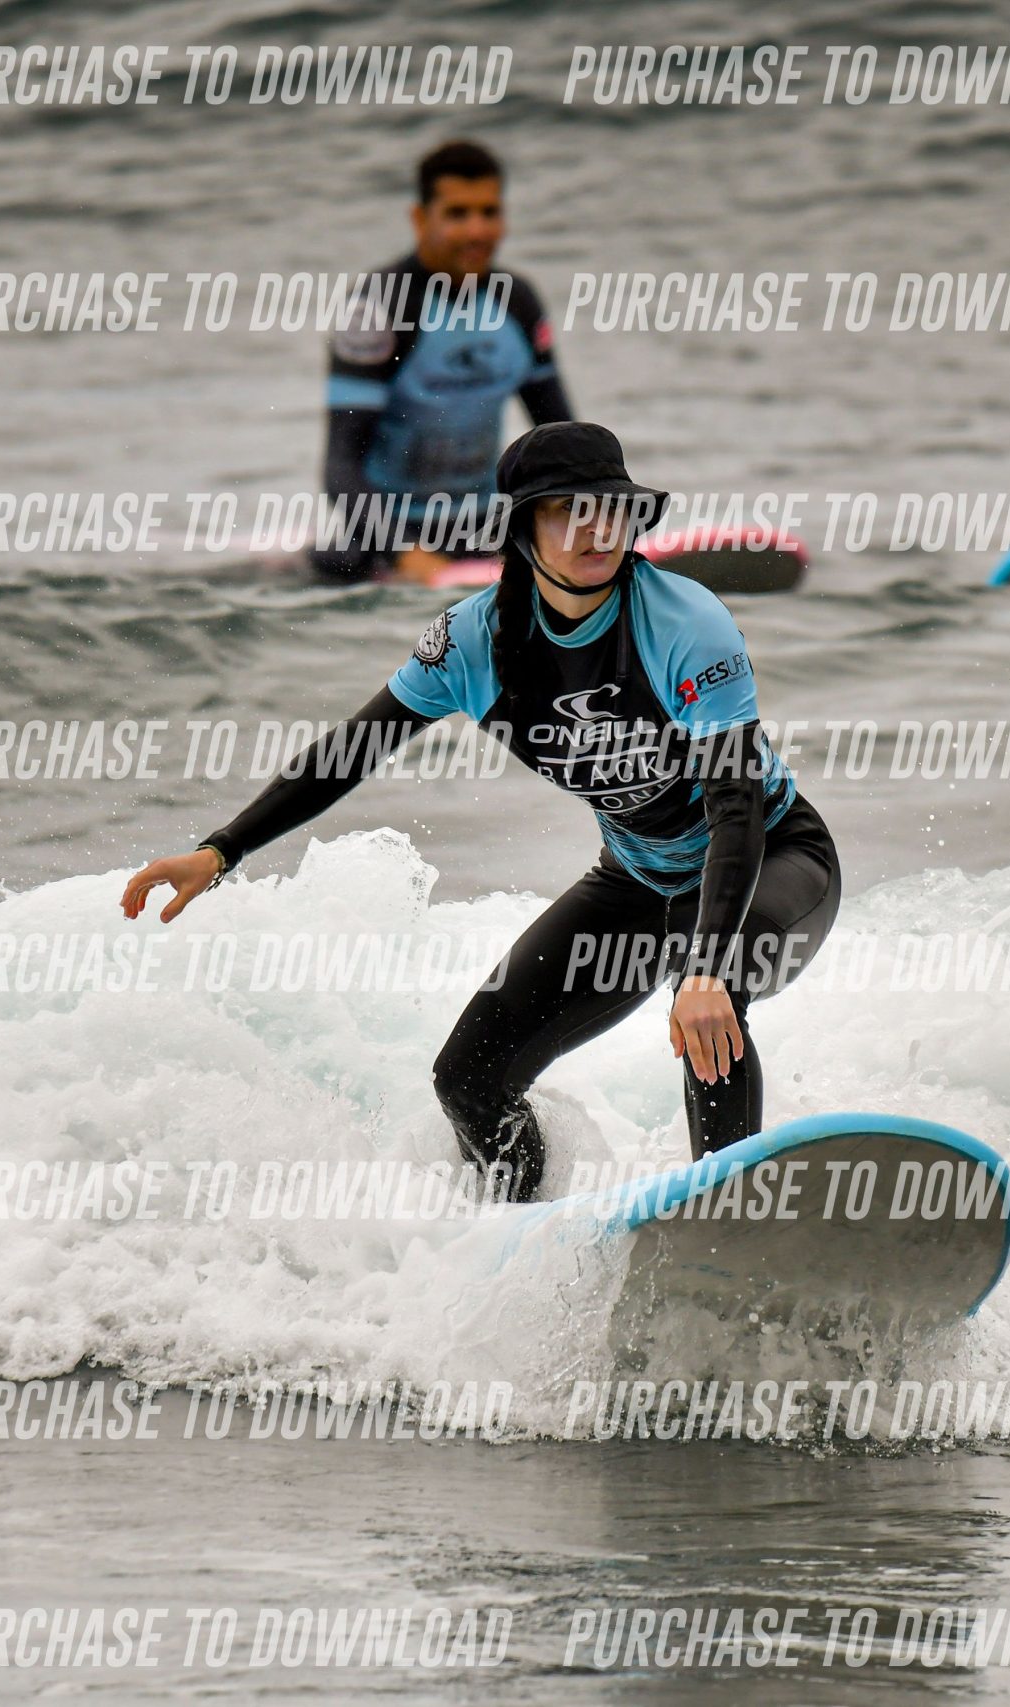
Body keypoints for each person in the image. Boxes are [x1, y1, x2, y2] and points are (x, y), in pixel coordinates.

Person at [132, 423, 839, 1201]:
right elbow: (352, 750)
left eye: (611, 508)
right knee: (467, 1077)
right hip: (638, 881)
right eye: (568, 510)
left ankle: (728, 1216)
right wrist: (222, 849)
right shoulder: (471, 642)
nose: (597, 529)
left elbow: (735, 804)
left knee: (714, 990)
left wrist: (703, 969)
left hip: (773, 858)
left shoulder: (685, 623)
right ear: (522, 528)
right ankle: (520, 1224)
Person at [311, 139, 574, 584]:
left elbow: (563, 444)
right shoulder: (379, 307)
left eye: (489, 212)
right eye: (458, 214)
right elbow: (340, 467)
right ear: (420, 219)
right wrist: (405, 555)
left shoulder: (518, 303)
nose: (477, 231)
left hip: (487, 529)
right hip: (388, 536)